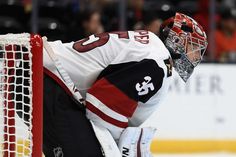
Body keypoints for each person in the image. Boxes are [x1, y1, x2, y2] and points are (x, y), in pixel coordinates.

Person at [42, 12, 207, 157]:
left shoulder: (151, 47)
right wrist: (121, 145)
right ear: (177, 41)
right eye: (193, 48)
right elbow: (101, 105)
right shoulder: (158, 62)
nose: (195, 58)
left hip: (48, 77)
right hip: (49, 79)